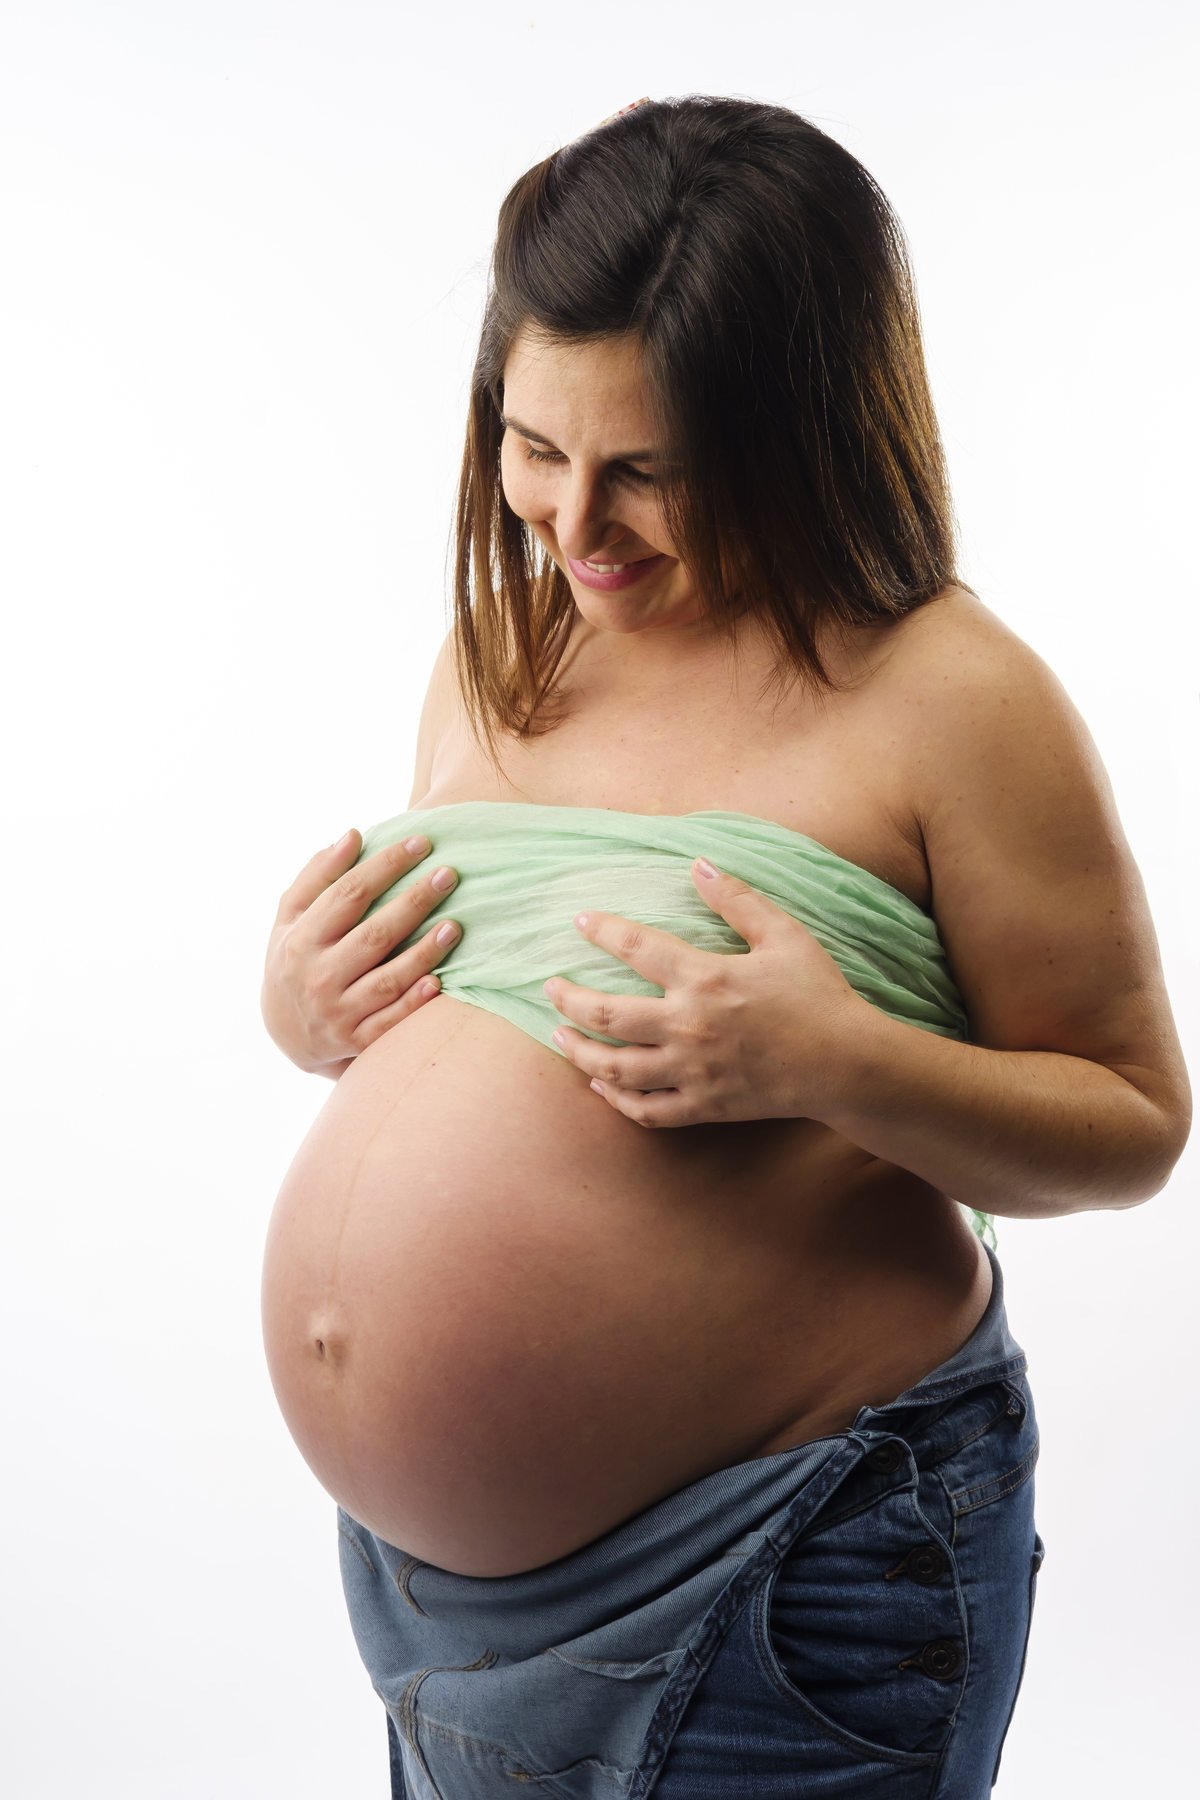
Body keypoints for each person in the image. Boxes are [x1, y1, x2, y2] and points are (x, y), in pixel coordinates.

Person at [259, 97, 1190, 1798]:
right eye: (534, 448)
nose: (575, 527)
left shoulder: (952, 697)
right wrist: (314, 1014)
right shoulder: (504, 652)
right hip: (434, 1615)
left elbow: (1132, 1123)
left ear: (796, 426)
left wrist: (836, 1062)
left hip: (791, 1564)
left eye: (649, 470)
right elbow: (473, 1016)